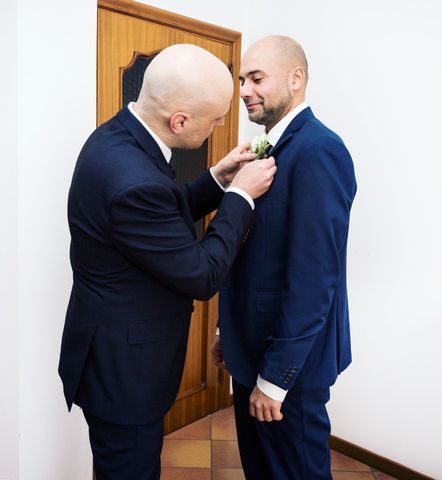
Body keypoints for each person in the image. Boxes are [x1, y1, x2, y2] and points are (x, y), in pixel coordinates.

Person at [58, 43, 276, 480]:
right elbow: (200, 274)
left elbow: (161, 218)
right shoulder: (132, 179)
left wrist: (217, 178)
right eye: (215, 119)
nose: (219, 127)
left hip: (109, 352)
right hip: (125, 375)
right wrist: (240, 196)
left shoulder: (118, 136)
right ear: (179, 120)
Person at [212, 35, 357, 479]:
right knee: (261, 470)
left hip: (288, 366)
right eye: (242, 80)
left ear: (296, 79)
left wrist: (276, 380)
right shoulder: (267, 147)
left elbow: (314, 278)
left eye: (256, 78)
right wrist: (228, 329)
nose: (243, 90)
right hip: (251, 348)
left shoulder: (319, 150)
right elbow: (256, 257)